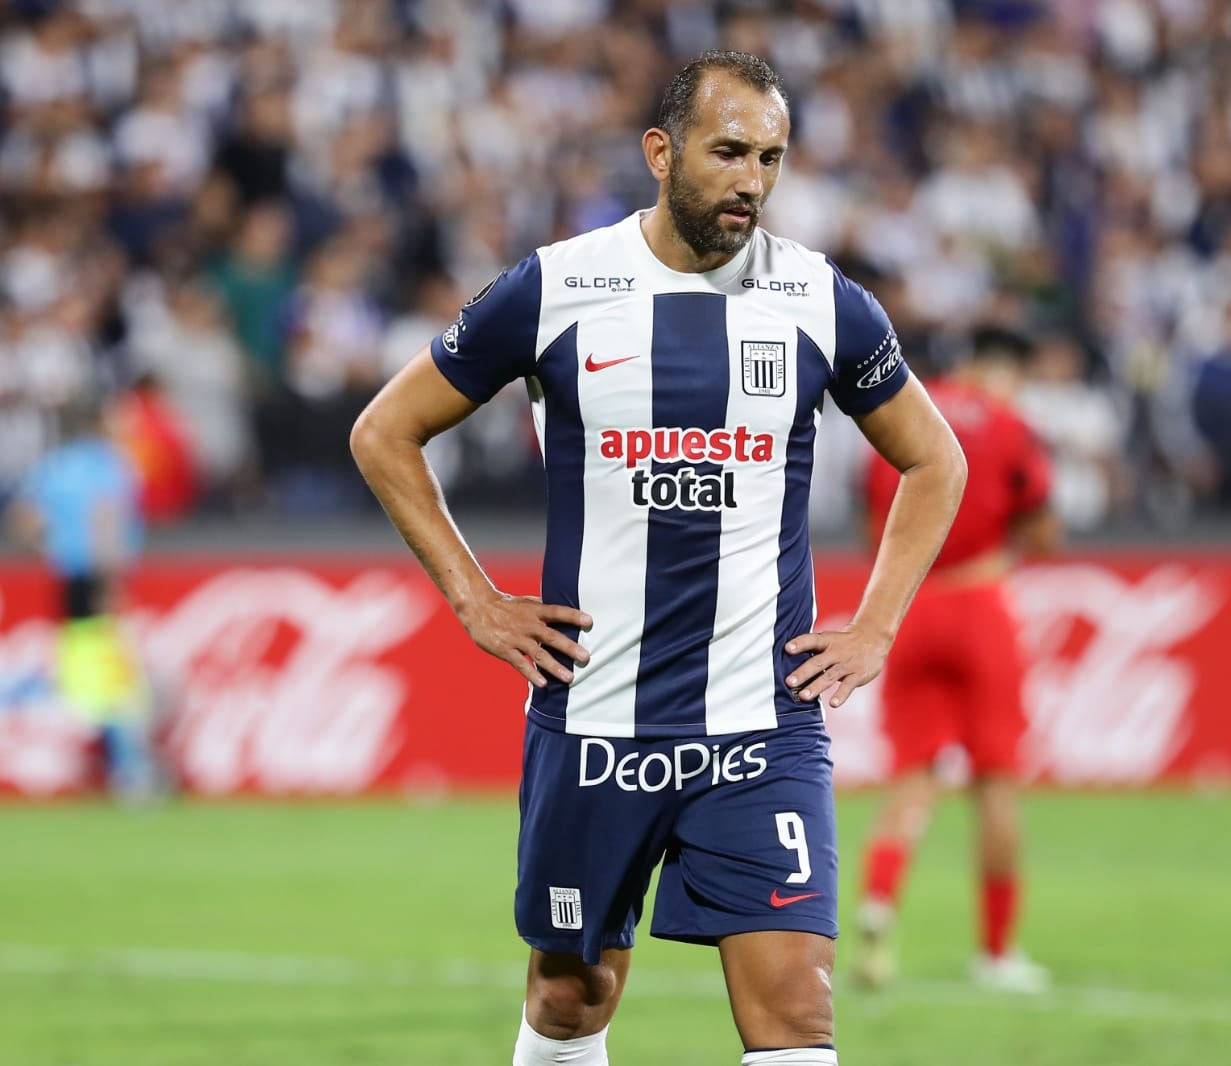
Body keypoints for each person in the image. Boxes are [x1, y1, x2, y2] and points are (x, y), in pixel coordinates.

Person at [350, 52, 966, 1066]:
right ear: (661, 151)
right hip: (595, 714)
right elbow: (385, 431)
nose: (750, 181)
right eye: (728, 152)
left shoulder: (820, 299)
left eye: (769, 158)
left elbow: (935, 458)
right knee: (570, 991)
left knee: (797, 1014)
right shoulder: (556, 287)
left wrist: (877, 624)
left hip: (760, 721)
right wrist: (473, 599)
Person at [855, 325, 1060, 993]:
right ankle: (997, 955)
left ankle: (878, 904)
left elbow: (872, 525)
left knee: (912, 778)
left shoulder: (896, 412)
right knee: (996, 783)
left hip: (909, 608)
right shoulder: (1009, 423)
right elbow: (1045, 529)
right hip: (979, 602)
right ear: (998, 367)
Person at [6, 390, 155, 801]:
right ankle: (131, 773)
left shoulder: (54, 466)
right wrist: (111, 584)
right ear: (99, 424)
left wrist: (55, 550)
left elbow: (22, 523)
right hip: (98, 581)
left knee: (80, 673)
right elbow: (106, 520)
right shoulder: (110, 465)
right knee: (114, 680)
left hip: (68, 580)